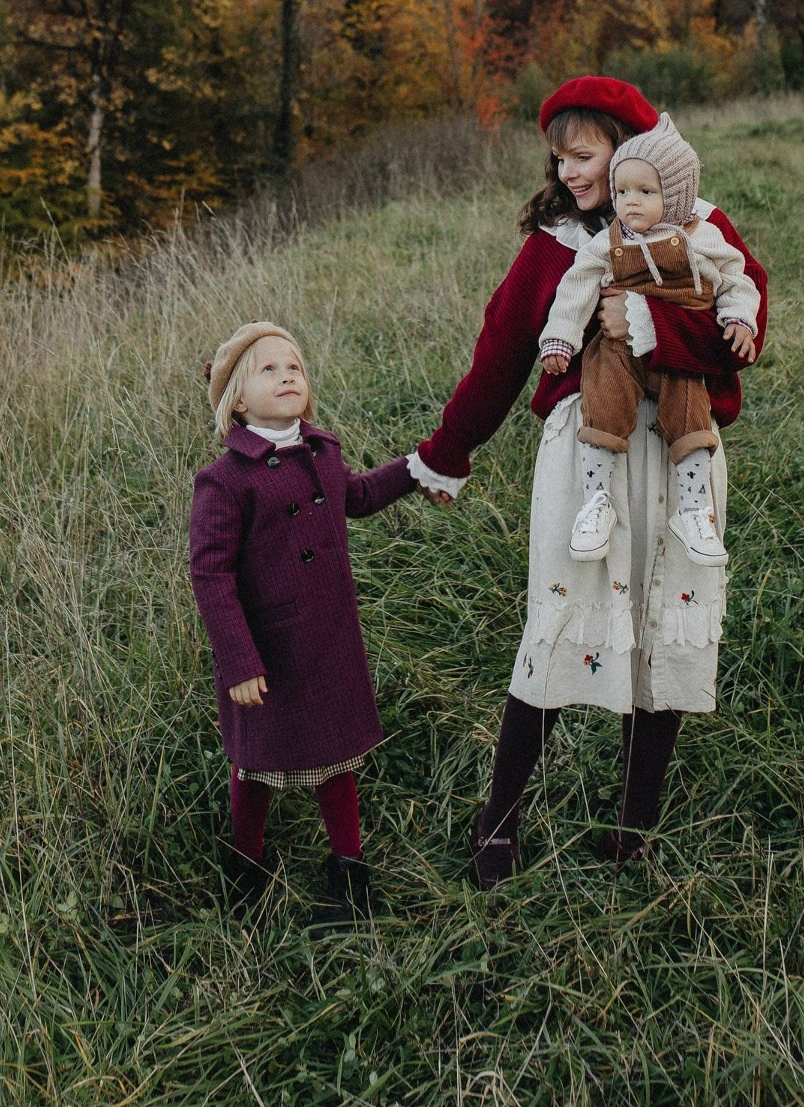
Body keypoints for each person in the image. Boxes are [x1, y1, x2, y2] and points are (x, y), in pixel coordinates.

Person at [405, 77, 767, 881]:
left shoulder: (700, 228)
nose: (569, 171)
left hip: (679, 453)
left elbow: (740, 328)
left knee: (666, 617)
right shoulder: (557, 246)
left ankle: (633, 829)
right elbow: (498, 359)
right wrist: (446, 452)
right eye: (559, 157)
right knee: (563, 615)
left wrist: (645, 322)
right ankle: (498, 822)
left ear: (632, 150)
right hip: (586, 456)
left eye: (584, 153)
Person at [189, 321, 424, 927]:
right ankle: (247, 863)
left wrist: (420, 468)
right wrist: (239, 661)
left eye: (294, 366)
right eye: (268, 369)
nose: (287, 375)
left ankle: (349, 869)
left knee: (337, 755)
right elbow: (210, 575)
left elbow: (362, 497)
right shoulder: (225, 480)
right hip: (268, 650)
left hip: (328, 637)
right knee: (258, 759)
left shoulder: (323, 452)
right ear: (237, 400)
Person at [538, 111, 760, 569]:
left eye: (645, 192)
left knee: (689, 411)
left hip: (678, 363)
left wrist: (740, 320)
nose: (630, 203)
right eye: (623, 192)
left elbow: (739, 279)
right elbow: (576, 288)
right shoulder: (605, 241)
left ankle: (694, 509)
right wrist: (559, 338)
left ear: (677, 197)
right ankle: (596, 502)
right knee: (603, 398)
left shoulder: (705, 235)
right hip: (616, 357)